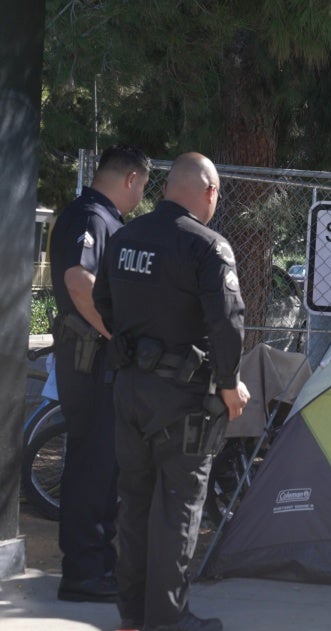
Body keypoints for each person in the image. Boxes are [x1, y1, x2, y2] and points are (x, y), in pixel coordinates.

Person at [93, 152, 251, 631]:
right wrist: (230, 384)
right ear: (210, 192)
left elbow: (103, 302)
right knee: (178, 510)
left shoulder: (125, 237)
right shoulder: (207, 247)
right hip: (184, 402)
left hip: (129, 391)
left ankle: (132, 616)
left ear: (165, 189)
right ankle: (168, 619)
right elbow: (227, 324)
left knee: (134, 505)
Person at [49, 144, 151, 603]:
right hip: (91, 361)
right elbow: (79, 280)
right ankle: (84, 573)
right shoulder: (92, 216)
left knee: (102, 466)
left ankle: (96, 566)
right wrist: (117, 333)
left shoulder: (101, 217)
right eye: (142, 186)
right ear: (130, 178)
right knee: (93, 467)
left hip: (94, 361)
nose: (141, 196)